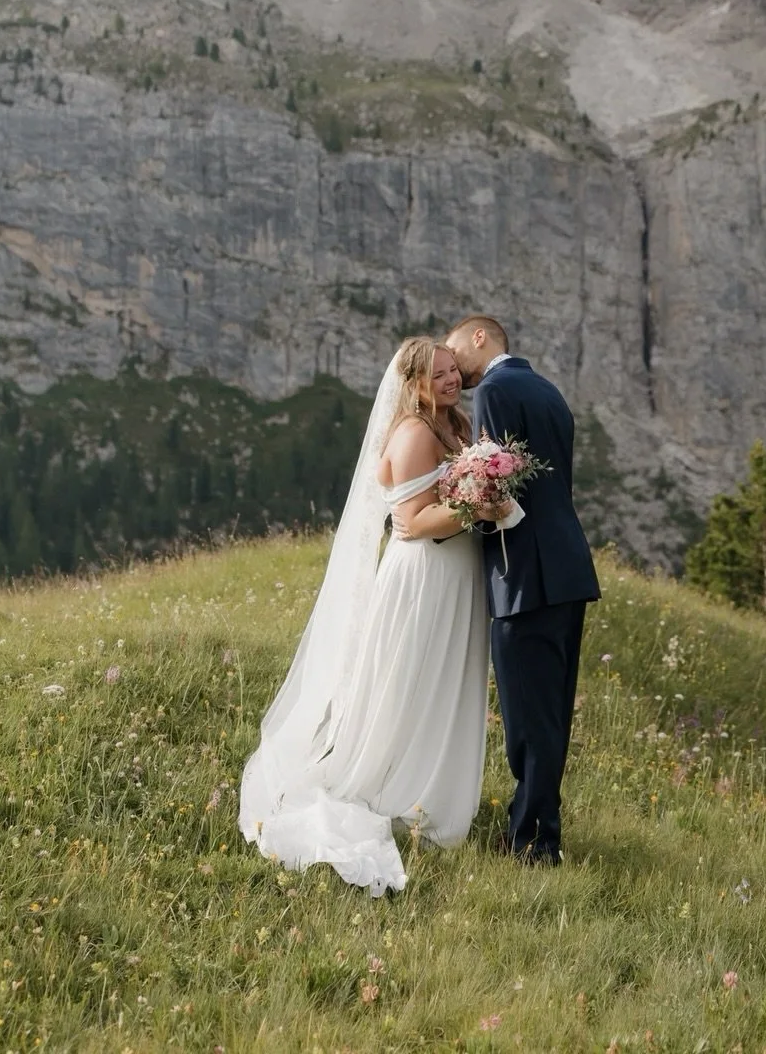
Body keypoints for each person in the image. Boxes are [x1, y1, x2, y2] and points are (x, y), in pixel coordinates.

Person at [238, 337, 507, 895]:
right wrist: (478, 506)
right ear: (413, 384)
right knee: (410, 680)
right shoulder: (413, 433)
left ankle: (431, 789)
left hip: (458, 574)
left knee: (444, 682)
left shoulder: (456, 424)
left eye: (453, 370)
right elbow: (413, 521)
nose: (451, 380)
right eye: (438, 374)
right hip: (425, 576)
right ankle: (394, 788)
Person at [443, 314, 600, 866]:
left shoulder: (494, 390)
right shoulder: (548, 391)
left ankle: (535, 844)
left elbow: (495, 487)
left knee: (528, 720)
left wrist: (460, 514)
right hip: (567, 569)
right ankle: (537, 832)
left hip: (525, 574)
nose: (453, 365)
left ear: (479, 337)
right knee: (549, 713)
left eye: (454, 350)